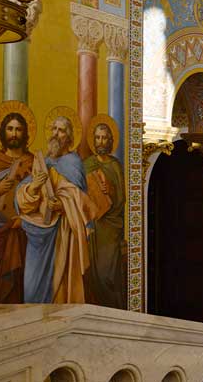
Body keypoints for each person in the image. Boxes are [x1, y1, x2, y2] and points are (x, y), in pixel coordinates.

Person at [16, 114, 96, 303]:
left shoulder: (73, 164)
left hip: (62, 234)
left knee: (59, 284)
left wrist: (63, 204)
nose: (56, 134)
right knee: (31, 285)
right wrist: (34, 186)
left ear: (68, 137)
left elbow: (83, 203)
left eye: (61, 130)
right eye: (54, 129)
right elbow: (21, 199)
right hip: (38, 234)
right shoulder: (42, 161)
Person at [0, 110, 33, 303]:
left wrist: (24, 220)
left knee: (22, 286)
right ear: (3, 132)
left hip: (24, 233)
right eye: (10, 129)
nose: (14, 133)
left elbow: (43, 198)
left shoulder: (34, 162)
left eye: (18, 129)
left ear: (24, 133)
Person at [83, 121, 125, 308]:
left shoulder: (115, 165)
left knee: (106, 272)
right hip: (93, 227)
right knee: (92, 273)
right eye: (98, 137)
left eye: (104, 138)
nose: (101, 141)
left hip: (110, 228)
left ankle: (115, 310)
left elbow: (122, 198)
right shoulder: (87, 164)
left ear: (110, 140)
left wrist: (111, 190)